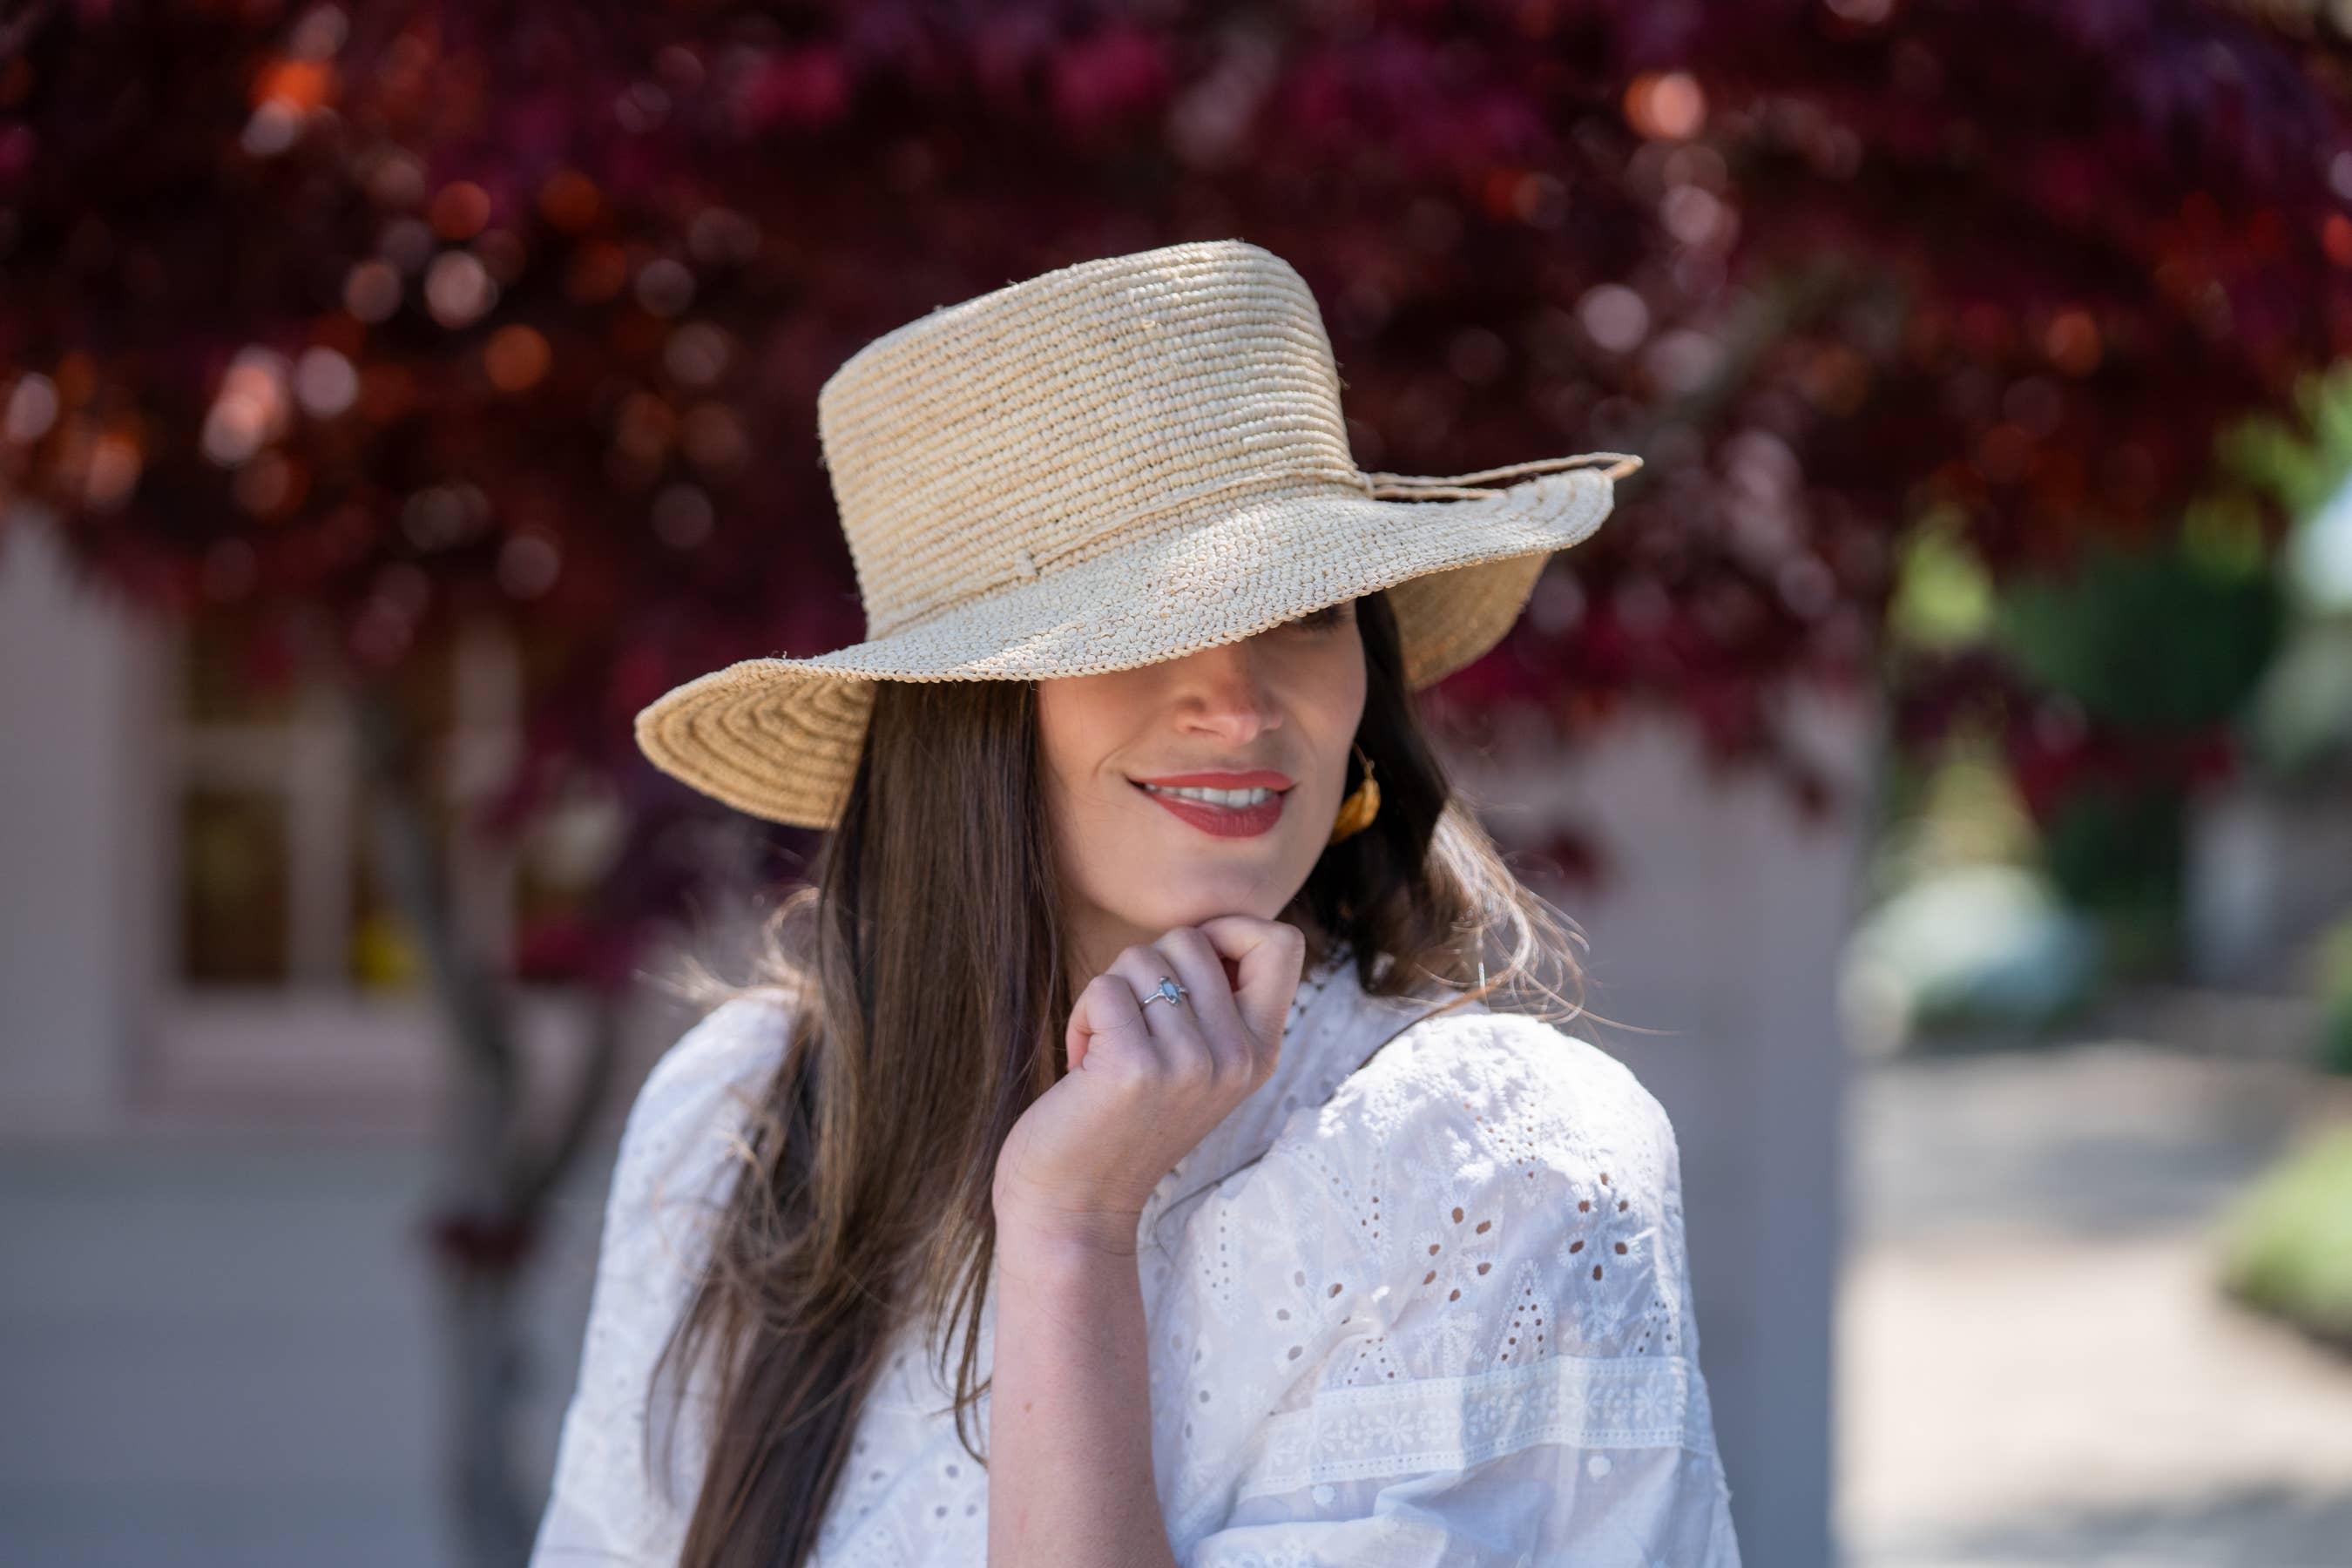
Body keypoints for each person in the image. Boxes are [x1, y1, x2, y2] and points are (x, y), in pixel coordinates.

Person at [529, 239, 1741, 1566]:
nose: (1236, 697)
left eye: (1308, 606)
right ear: (965, 716)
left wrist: (1070, 1234)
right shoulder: (744, 1115)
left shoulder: (1485, 1160)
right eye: (1139, 623)